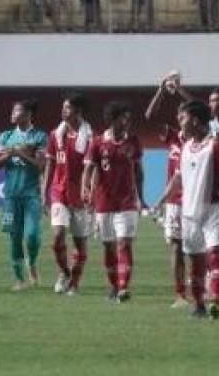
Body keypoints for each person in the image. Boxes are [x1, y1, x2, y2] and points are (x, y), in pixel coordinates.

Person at [162, 100, 219, 319]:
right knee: (196, 260)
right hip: (189, 212)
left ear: (195, 120)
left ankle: (215, 300)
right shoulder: (185, 147)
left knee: (215, 255)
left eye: (182, 118)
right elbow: (179, 178)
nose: (179, 122)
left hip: (214, 209)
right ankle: (200, 304)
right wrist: (163, 198)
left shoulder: (216, 145)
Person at [82, 101, 144, 303]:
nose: (126, 122)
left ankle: (124, 287)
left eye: (128, 118)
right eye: (123, 118)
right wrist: (86, 189)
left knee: (124, 243)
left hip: (127, 202)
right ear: (113, 119)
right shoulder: (98, 142)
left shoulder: (133, 141)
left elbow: (139, 171)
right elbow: (89, 169)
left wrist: (141, 197)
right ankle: (114, 286)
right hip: (104, 202)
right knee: (108, 246)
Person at [42, 94, 93, 295]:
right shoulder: (56, 134)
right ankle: (64, 273)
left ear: (78, 111)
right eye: (63, 107)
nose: (63, 111)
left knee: (80, 244)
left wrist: (91, 193)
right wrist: (43, 191)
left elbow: (93, 168)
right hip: (59, 192)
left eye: (68, 108)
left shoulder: (89, 137)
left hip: (80, 197)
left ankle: (74, 283)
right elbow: (50, 163)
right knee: (57, 236)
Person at [0, 100, 47, 291]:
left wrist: (19, 153)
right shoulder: (5, 136)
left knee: (32, 236)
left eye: (16, 111)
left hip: (31, 194)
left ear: (27, 114)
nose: (12, 113)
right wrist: (9, 155)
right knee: (14, 237)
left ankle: (31, 261)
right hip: (11, 196)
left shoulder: (40, 136)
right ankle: (19, 279)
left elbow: (41, 166)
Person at [146, 77, 188, 308]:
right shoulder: (173, 136)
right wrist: (161, 90)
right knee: (175, 245)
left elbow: (203, 110)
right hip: (174, 202)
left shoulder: (200, 139)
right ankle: (181, 294)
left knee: (195, 248)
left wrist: (180, 91)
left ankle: (208, 288)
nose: (182, 120)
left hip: (197, 201)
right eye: (180, 117)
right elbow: (150, 116)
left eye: (186, 116)